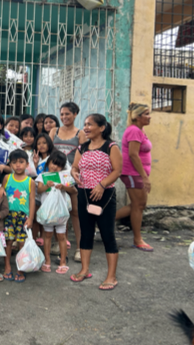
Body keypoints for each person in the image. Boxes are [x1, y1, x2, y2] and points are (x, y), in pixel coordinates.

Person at [70, 114, 122, 291]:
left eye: (90, 124)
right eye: (85, 124)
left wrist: (102, 184)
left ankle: (111, 276)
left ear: (101, 128)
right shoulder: (82, 147)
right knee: (86, 233)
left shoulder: (111, 147)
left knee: (107, 235)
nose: (86, 127)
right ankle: (84, 270)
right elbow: (75, 167)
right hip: (84, 194)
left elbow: (117, 171)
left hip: (104, 195)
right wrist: (74, 173)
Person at [49, 102, 86, 262]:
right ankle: (58, 244)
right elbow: (49, 153)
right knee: (57, 212)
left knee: (76, 213)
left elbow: (83, 156)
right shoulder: (54, 131)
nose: (64, 117)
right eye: (62, 114)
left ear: (75, 114)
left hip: (73, 178)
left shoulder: (80, 134)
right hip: (55, 177)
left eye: (68, 114)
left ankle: (80, 248)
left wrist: (75, 173)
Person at [116, 103, 153, 252]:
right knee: (138, 205)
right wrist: (144, 177)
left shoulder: (139, 130)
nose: (149, 117)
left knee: (139, 204)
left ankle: (102, 220)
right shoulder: (134, 131)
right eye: (146, 114)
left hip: (137, 173)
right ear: (138, 117)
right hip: (133, 173)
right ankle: (138, 240)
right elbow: (133, 154)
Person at [36, 152, 75, 275]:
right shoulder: (42, 176)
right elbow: (39, 190)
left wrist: (63, 187)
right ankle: (47, 260)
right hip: (48, 213)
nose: (55, 167)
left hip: (60, 212)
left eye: (59, 165)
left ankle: (63, 261)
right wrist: (46, 186)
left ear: (62, 167)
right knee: (47, 235)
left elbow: (73, 190)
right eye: (53, 163)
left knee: (61, 236)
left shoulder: (64, 176)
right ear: (48, 162)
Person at [3, 149, 36, 283]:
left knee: (22, 242)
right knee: (8, 241)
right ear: (10, 164)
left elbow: (32, 200)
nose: (18, 165)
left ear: (27, 164)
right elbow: (2, 193)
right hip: (8, 215)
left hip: (23, 216)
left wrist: (31, 218)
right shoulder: (7, 178)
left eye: (21, 162)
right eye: (14, 162)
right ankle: (7, 266)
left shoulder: (30, 181)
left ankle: (20, 267)